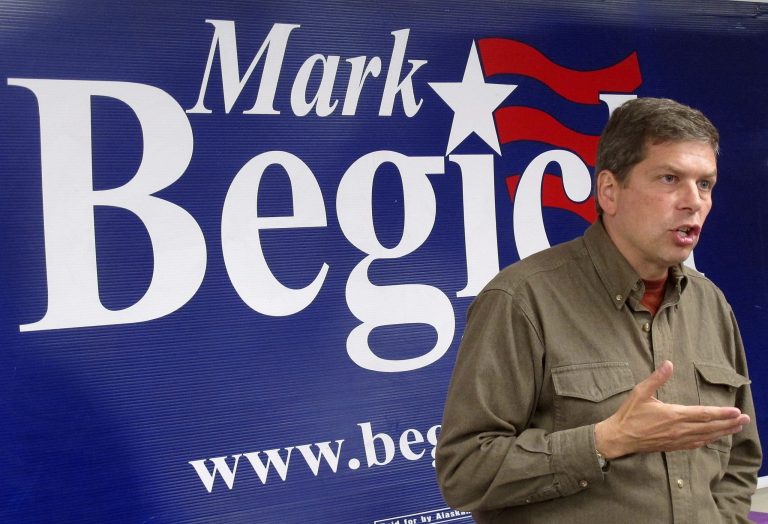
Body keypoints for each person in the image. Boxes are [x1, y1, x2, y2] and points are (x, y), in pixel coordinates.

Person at [435, 98, 762, 523]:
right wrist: (605, 441)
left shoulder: (710, 302)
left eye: (705, 184)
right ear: (609, 190)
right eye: (669, 178)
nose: (693, 201)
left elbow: (739, 454)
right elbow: (464, 473)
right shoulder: (522, 300)